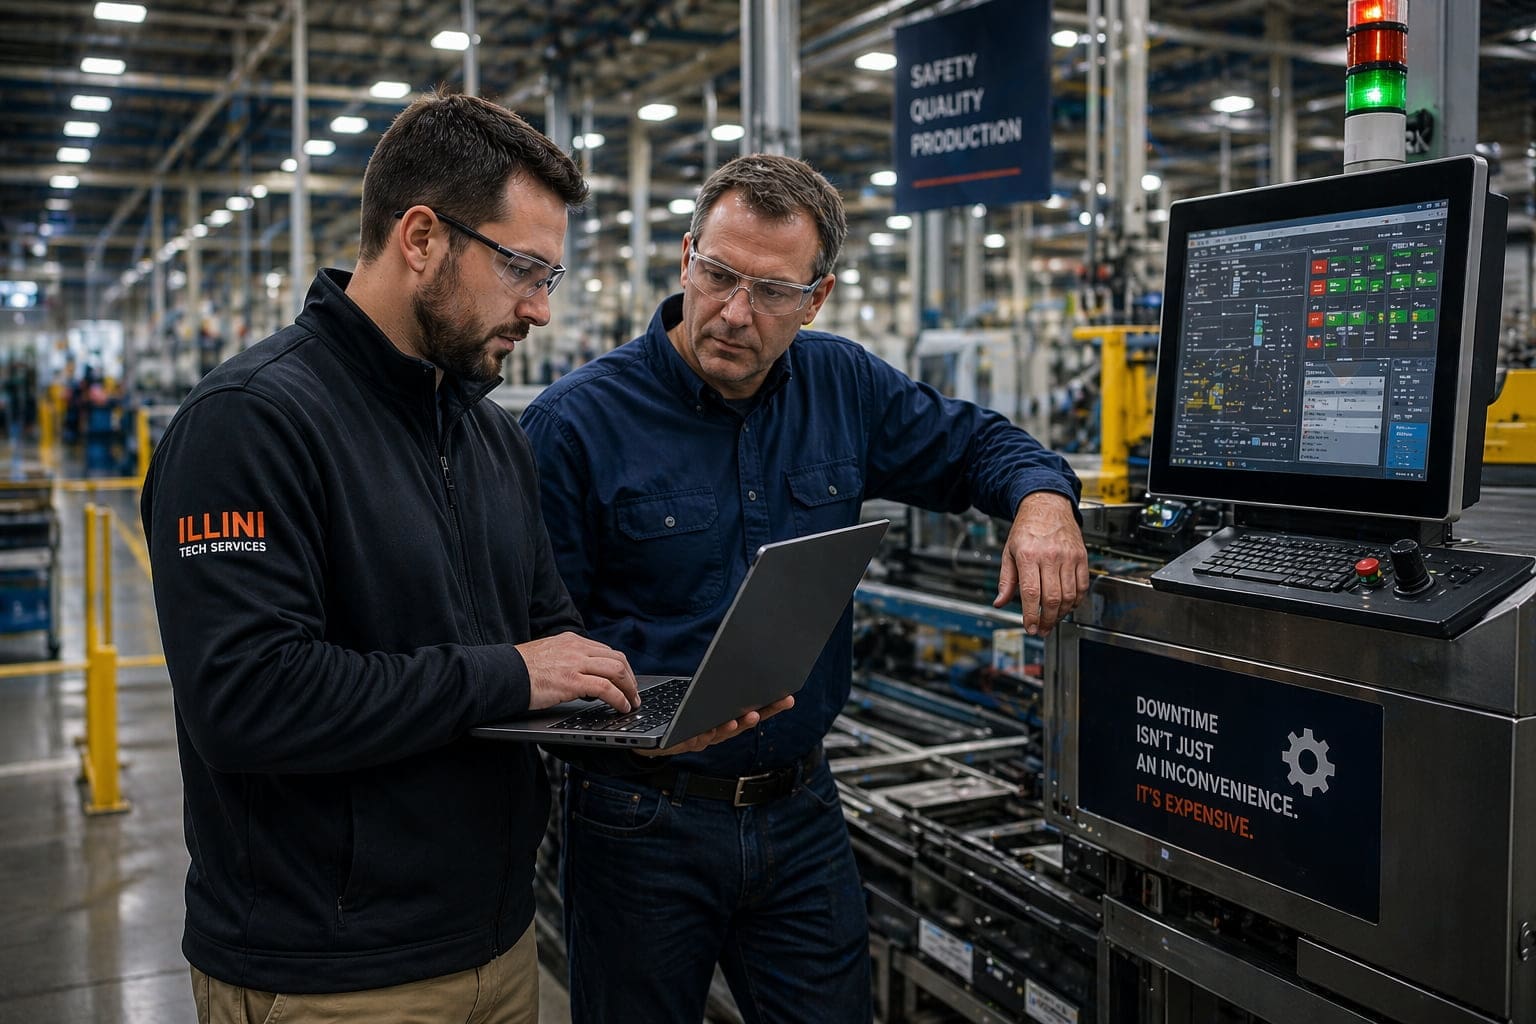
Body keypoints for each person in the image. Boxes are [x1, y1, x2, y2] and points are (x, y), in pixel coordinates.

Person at [141, 90, 778, 1024]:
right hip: (333, 972)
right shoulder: (250, 425)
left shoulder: (488, 438)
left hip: (497, 941)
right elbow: (249, 700)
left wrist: (643, 721)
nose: (540, 310)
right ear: (422, 237)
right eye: (524, 268)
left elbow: (545, 636)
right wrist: (510, 677)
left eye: (550, 278)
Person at [522, 153, 1091, 1022]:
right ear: (686, 258)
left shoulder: (845, 385)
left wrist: (1044, 501)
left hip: (799, 812)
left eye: (773, 292)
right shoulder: (575, 423)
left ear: (816, 299)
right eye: (718, 275)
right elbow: (535, 639)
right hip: (640, 822)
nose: (735, 312)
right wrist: (623, 735)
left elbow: (979, 445)